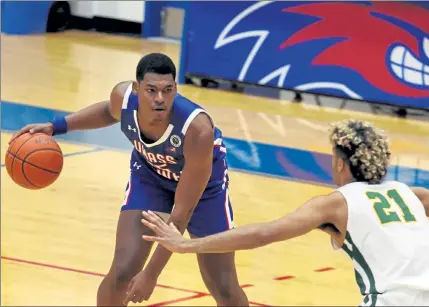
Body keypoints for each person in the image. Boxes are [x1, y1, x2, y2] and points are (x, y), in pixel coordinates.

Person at [9, 53, 249, 307]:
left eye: (167, 91)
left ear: (176, 89)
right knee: (123, 273)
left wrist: (151, 274)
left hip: (203, 193)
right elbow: (106, 112)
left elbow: (181, 213)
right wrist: (56, 126)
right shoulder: (123, 98)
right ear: (136, 89)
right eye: (151, 90)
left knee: (224, 287)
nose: (160, 99)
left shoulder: (198, 130)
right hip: (150, 178)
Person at [141, 119, 429, 306]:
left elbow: (263, 234)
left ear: (340, 164)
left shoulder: (335, 204)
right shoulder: (414, 195)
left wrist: (185, 244)